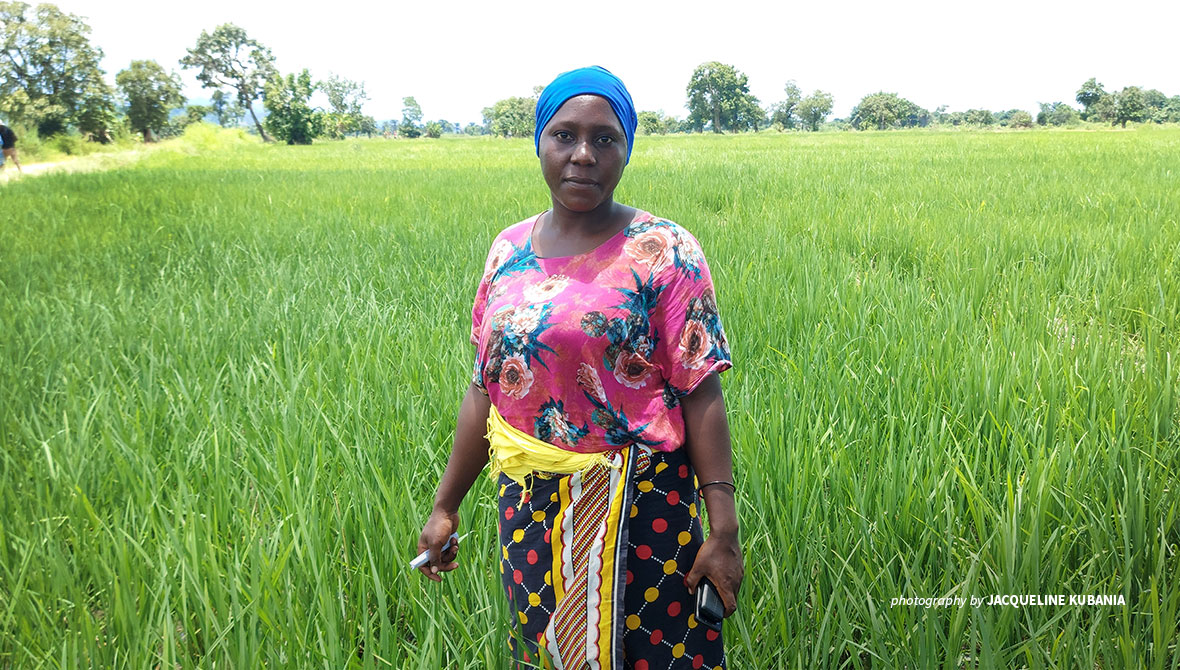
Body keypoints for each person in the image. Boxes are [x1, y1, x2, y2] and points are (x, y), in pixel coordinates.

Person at [417, 66, 743, 669]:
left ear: (627, 150)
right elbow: (483, 389)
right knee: (548, 655)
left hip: (646, 512)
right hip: (531, 511)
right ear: (539, 141)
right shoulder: (507, 250)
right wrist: (445, 505)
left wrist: (722, 530)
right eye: (564, 135)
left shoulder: (665, 250)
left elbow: (702, 394)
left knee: (659, 656)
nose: (583, 155)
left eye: (605, 139)